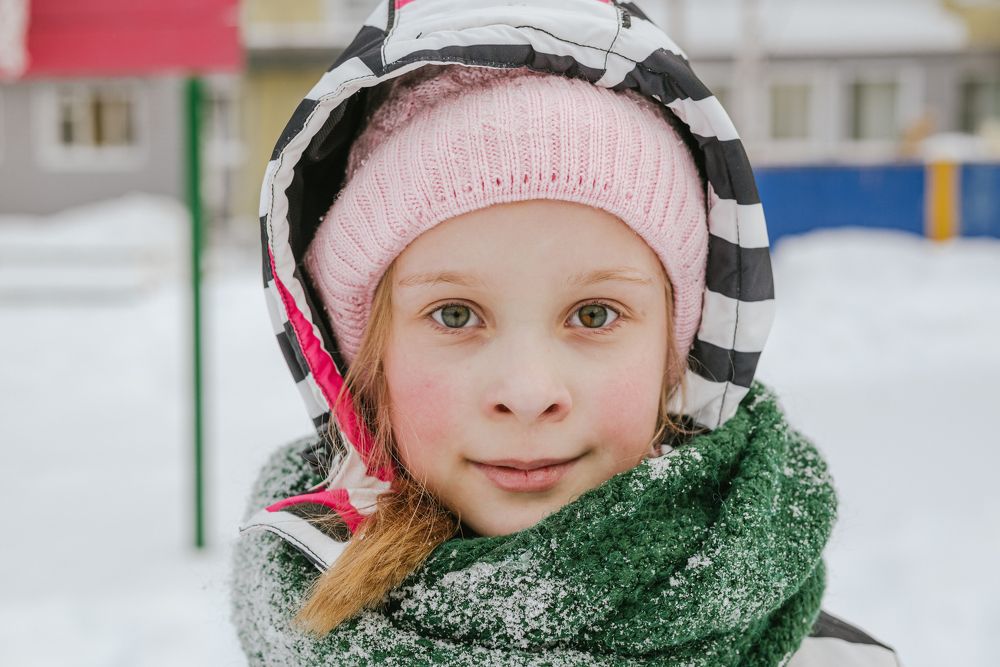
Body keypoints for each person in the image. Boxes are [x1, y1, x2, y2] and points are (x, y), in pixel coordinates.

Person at [229, 1, 901, 665]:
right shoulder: (296, 618)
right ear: (362, 360)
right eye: (455, 314)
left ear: (681, 349)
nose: (528, 394)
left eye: (594, 314)